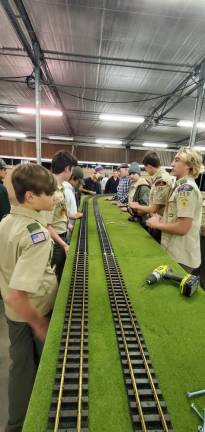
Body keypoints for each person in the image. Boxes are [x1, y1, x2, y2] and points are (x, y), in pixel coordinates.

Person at [0, 164, 58, 432]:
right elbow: (17, 295)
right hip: (33, 310)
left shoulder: (6, 222)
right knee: (34, 370)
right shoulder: (37, 235)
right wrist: (40, 325)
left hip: (13, 315)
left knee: (20, 364)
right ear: (31, 197)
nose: (54, 196)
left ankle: (16, 423)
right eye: (49, 192)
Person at [146, 147, 202, 272]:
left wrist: (157, 225)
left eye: (177, 160)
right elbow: (176, 218)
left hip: (181, 256)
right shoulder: (180, 186)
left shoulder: (186, 189)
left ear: (189, 165)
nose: (172, 164)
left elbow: (183, 228)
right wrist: (161, 219)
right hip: (176, 252)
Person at [45, 150, 77, 283]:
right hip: (56, 242)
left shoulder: (60, 187)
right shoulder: (52, 189)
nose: (72, 172)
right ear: (66, 169)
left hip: (60, 237)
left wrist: (69, 221)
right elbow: (47, 225)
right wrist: (64, 245)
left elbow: (58, 213)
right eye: (72, 169)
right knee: (55, 278)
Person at [129, 151, 172, 241]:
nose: (145, 170)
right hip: (158, 220)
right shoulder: (159, 177)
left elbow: (153, 208)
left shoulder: (161, 180)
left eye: (145, 167)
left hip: (160, 222)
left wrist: (137, 206)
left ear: (149, 166)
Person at [63, 166, 84, 241]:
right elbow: (60, 212)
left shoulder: (69, 189)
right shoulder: (65, 190)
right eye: (78, 181)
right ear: (73, 178)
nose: (79, 184)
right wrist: (71, 219)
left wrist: (75, 214)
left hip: (69, 227)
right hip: (66, 229)